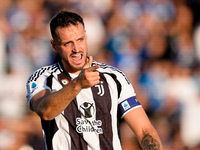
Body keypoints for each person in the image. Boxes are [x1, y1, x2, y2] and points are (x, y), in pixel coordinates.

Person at [26, 10, 163, 150]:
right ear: (54, 45)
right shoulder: (43, 78)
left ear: (86, 36)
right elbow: (46, 111)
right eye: (68, 43)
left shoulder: (114, 78)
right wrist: (78, 84)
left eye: (80, 40)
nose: (76, 49)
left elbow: (144, 130)